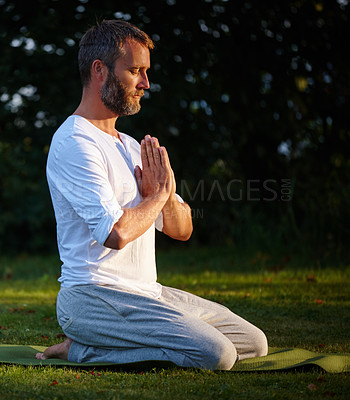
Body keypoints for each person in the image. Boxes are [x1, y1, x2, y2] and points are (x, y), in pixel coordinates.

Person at [36, 20, 268, 370]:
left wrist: (168, 194)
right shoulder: (74, 143)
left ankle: (100, 344)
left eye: (145, 72)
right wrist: (155, 198)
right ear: (99, 70)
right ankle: (83, 349)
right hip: (94, 297)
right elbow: (114, 234)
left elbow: (182, 229)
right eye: (135, 71)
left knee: (253, 343)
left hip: (147, 294)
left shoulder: (131, 146)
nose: (145, 83)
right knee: (217, 355)